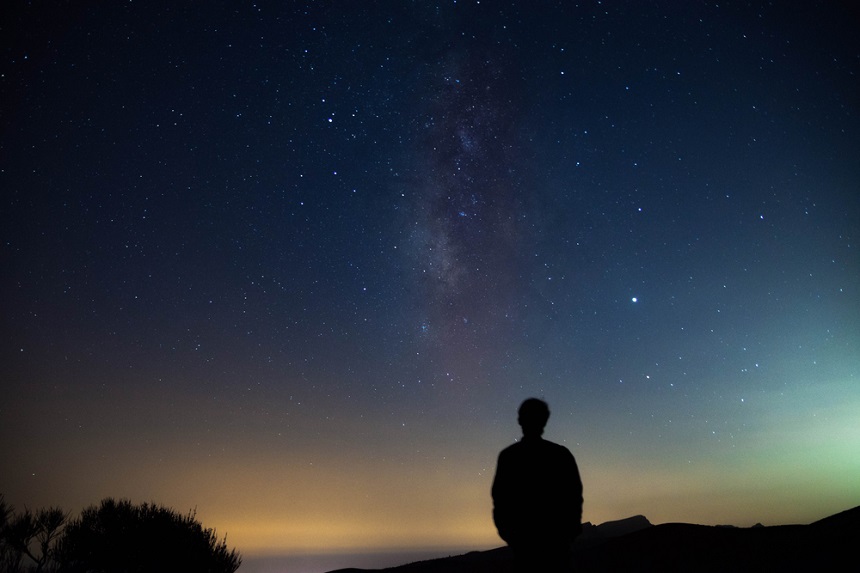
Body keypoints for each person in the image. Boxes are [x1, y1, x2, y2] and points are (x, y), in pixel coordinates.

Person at [491, 398, 583, 572]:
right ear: (545, 420)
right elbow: (574, 497)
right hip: (556, 546)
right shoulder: (560, 455)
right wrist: (567, 535)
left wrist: (513, 538)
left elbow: (500, 501)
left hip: (527, 548)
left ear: (519, 420)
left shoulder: (509, 457)